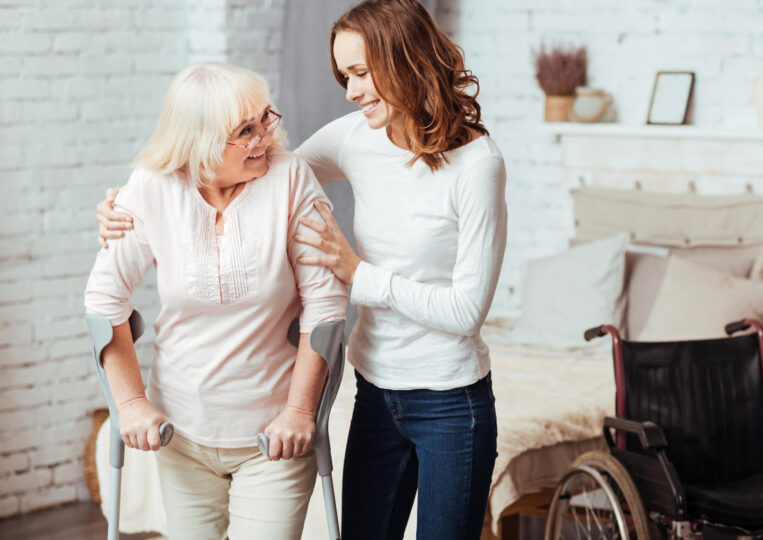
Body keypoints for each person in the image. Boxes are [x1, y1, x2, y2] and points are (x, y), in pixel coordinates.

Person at [96, 1, 506, 538]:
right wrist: (129, 205)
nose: (351, 91)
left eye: (360, 73)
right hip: (376, 391)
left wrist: (358, 274)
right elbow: (265, 172)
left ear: (404, 59)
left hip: (452, 401)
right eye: (345, 76)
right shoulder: (357, 135)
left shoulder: (478, 166)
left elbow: (467, 312)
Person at [85, 62, 348, 540]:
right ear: (199, 142)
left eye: (265, 119)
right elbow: (104, 301)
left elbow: (326, 306)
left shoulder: (290, 179)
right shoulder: (151, 187)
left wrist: (300, 412)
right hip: (180, 432)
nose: (264, 138)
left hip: (273, 438)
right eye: (244, 131)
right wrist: (130, 403)